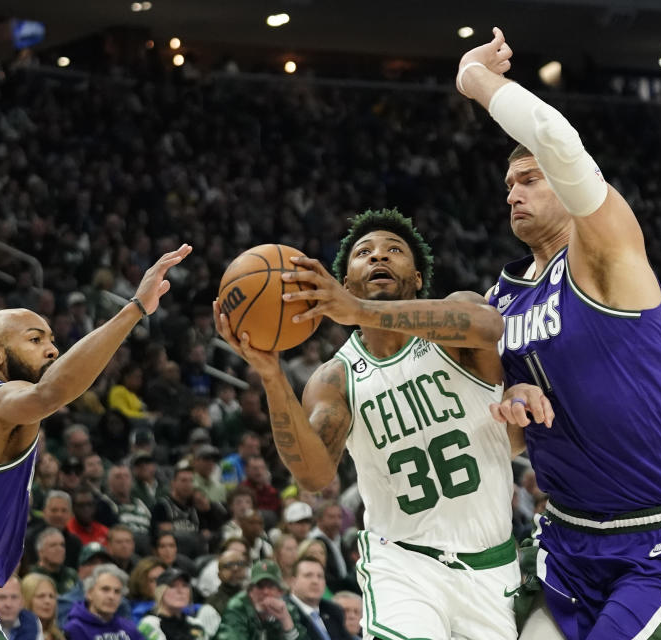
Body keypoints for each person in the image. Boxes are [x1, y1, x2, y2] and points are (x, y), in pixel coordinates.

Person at [456, 28, 661, 638]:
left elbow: (556, 139)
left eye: (529, 179)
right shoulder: (500, 302)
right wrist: (510, 402)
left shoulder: (604, 250)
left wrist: (475, 80)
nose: (513, 192)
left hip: (656, 529)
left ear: (568, 190)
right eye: (508, 186)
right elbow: (509, 439)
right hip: (567, 533)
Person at [214, 209, 523, 639]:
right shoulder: (335, 379)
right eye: (364, 252)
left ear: (416, 278)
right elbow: (314, 474)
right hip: (402, 562)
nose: (379, 257)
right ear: (342, 284)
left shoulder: (457, 319)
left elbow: (489, 326)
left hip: (492, 565)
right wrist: (271, 375)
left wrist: (359, 310)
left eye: (394, 250)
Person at [0, 244, 192, 640]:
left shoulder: (5, 413)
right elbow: (51, 392)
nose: (52, 348)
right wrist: (135, 308)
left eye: (52, 338)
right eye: (35, 339)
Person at [215, 559, 312, 640]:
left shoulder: (287, 611)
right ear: (250, 591)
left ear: (280, 592)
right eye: (260, 586)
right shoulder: (238, 607)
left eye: (270, 586)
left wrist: (287, 623)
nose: (265, 592)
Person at [63, 564, 145, 640]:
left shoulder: (129, 627)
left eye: (117, 591)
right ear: (89, 593)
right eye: (105, 589)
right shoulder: (75, 629)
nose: (111, 596)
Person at [288, 556, 352, 640]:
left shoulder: (333, 611)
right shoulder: (285, 612)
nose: (315, 581)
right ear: (293, 582)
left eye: (320, 576)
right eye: (308, 575)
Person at [137, 568, 210, 640]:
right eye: (172, 586)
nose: (180, 591)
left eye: (184, 585)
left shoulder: (196, 624)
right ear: (160, 592)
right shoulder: (149, 624)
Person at [29, 527, 80, 594]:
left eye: (62, 545)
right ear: (40, 552)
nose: (60, 549)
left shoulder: (71, 575)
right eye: (53, 545)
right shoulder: (31, 575)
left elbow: (79, 601)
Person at [0, 575, 44, 640]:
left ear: (22, 601)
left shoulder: (33, 621)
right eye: (2, 597)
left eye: (14, 597)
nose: (8, 604)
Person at [21, 572, 66, 640]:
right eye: (41, 596)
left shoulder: (62, 635)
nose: (48, 601)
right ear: (26, 599)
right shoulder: (17, 635)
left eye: (51, 596)